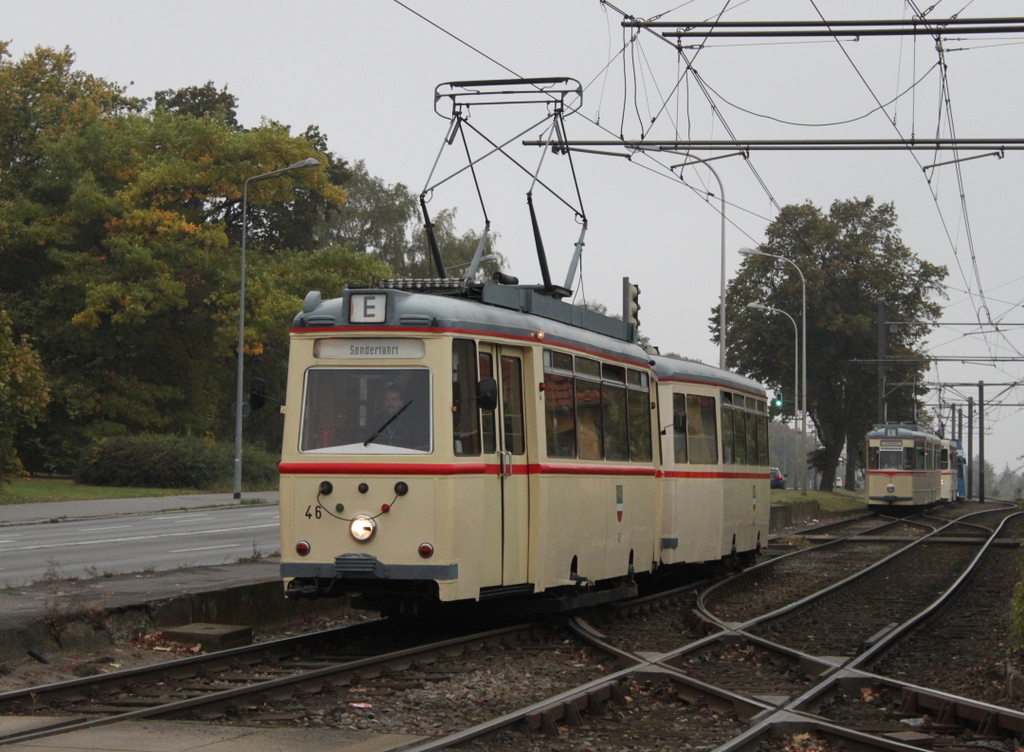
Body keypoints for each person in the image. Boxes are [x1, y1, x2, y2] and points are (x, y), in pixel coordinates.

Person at [366, 383, 420, 449]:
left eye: (394, 400)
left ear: (401, 402)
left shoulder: (410, 422)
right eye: (387, 400)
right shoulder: (376, 421)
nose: (390, 403)